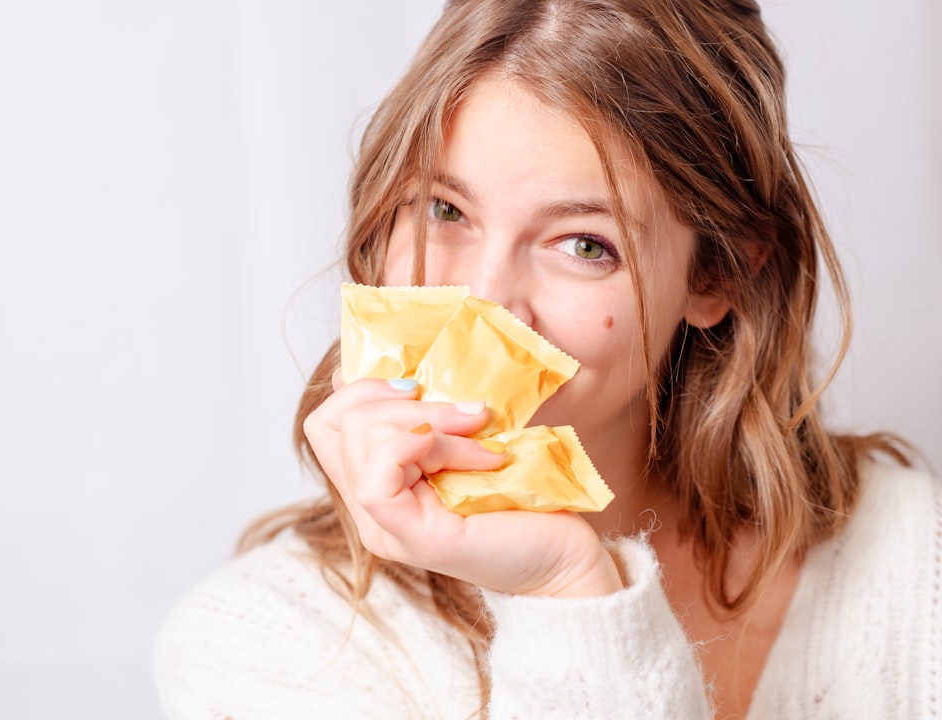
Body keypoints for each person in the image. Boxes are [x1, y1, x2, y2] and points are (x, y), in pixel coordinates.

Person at [155, 0, 941, 717]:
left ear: (718, 276)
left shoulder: (912, 562)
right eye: (444, 209)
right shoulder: (264, 645)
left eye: (584, 245)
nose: (483, 301)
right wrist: (566, 588)